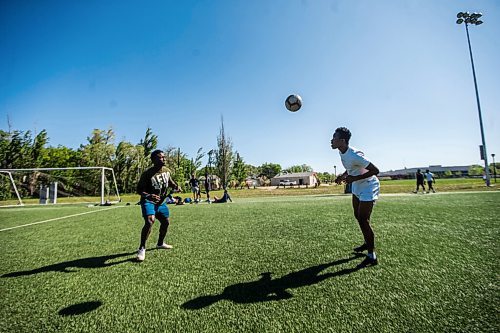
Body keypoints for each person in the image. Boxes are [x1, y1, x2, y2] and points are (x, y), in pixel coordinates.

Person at [331, 127, 380, 266]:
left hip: (369, 186)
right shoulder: (342, 152)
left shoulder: (354, 154)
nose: (331, 140)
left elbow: (375, 170)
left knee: (363, 219)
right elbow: (352, 168)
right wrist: (343, 176)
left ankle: (372, 255)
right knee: (358, 216)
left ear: (342, 140)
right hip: (357, 185)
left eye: (334, 137)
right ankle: (367, 242)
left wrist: (353, 178)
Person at [136, 150, 180, 262]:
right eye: (161, 157)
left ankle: (160, 243)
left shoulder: (167, 171)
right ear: (154, 160)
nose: (164, 159)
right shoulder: (147, 174)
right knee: (150, 221)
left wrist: (176, 186)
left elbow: (170, 182)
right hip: (149, 201)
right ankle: (142, 248)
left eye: (164, 157)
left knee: (166, 222)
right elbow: (139, 190)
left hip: (161, 202)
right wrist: (149, 195)